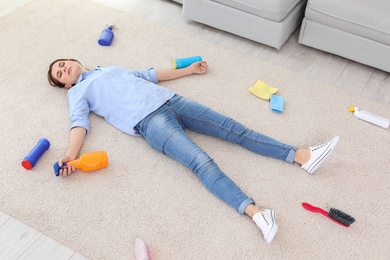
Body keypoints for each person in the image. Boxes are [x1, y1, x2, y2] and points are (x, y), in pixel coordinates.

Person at [47, 58, 339, 244]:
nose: (64, 69)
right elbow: (79, 123)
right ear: (66, 84)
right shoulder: (77, 93)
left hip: (174, 100)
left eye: (63, 63)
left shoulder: (107, 68)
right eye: (60, 74)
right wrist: (71, 154)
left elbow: (149, 75)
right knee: (201, 163)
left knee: (237, 131)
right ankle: (256, 212)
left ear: (75, 60)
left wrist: (187, 70)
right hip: (151, 123)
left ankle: (302, 156)